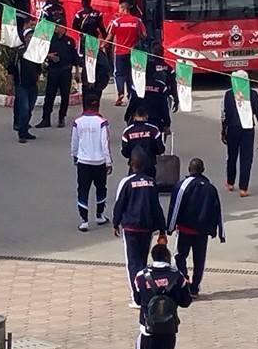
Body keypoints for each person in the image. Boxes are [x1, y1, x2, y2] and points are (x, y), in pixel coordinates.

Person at [133, 244, 192, 349]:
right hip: (169, 330)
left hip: (147, 330)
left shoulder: (141, 276)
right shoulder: (178, 276)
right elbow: (186, 301)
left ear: (153, 257)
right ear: (167, 257)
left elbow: (137, 300)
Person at [113, 151, 167, 308]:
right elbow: (156, 207)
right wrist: (162, 229)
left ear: (131, 164)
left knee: (132, 262)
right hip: (146, 228)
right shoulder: (151, 183)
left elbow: (119, 204)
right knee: (142, 262)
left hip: (130, 227)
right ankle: (145, 291)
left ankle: (137, 296)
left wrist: (116, 223)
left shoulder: (126, 182)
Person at [166, 158, 224, 297]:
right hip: (202, 233)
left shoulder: (182, 186)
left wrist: (170, 227)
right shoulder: (210, 188)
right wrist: (219, 232)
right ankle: (195, 288)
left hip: (185, 230)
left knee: (179, 256)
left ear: (189, 169)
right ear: (203, 170)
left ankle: (184, 280)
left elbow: (175, 206)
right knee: (199, 260)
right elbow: (217, 210)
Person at [221, 71, 258, 197]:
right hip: (247, 129)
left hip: (232, 128)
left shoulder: (229, 94)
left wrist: (223, 130)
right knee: (246, 159)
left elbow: (225, 114)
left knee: (232, 156)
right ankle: (243, 188)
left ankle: (230, 183)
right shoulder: (252, 94)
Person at [71, 95, 113, 232]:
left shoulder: (78, 122)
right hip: (99, 162)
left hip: (83, 161)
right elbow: (105, 143)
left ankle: (84, 221)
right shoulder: (102, 122)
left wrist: (75, 156)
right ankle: (100, 215)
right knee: (101, 188)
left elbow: (74, 142)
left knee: (83, 190)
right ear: (98, 106)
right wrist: (108, 161)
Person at [105, 2, 147, 107]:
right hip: (133, 53)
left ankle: (120, 93)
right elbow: (144, 35)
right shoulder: (137, 21)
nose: (119, 11)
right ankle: (131, 95)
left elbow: (109, 38)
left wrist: (101, 46)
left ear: (123, 9)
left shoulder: (116, 22)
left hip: (119, 52)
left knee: (118, 74)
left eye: (119, 9)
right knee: (130, 74)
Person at [37, 24, 77, 129]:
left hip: (66, 71)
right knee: (49, 95)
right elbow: (41, 51)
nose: (56, 28)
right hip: (53, 70)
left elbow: (75, 57)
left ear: (64, 28)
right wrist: (49, 56)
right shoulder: (50, 40)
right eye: (55, 26)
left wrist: (77, 72)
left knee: (65, 96)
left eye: (58, 26)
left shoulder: (70, 41)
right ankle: (46, 118)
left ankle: (61, 117)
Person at [9, 18, 42, 143]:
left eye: (33, 37)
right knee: (24, 108)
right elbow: (11, 70)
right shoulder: (18, 52)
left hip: (33, 85)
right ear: (25, 38)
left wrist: (37, 79)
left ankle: (25, 130)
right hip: (21, 85)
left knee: (30, 109)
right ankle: (21, 134)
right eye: (29, 37)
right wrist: (9, 83)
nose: (30, 39)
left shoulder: (36, 52)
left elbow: (39, 68)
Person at [121, 106, 165, 178]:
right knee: (150, 186)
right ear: (146, 116)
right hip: (150, 166)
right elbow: (160, 149)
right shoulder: (153, 130)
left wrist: (133, 156)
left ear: (134, 117)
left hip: (134, 166)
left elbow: (124, 151)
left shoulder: (127, 131)